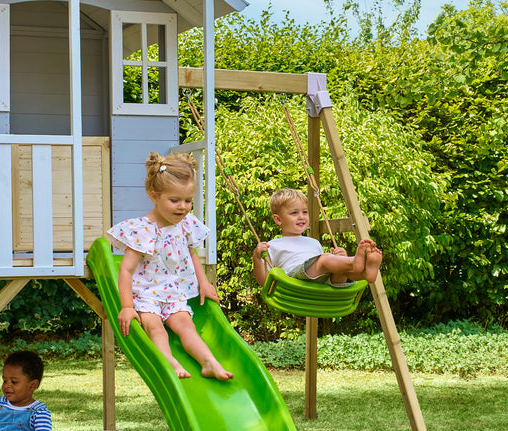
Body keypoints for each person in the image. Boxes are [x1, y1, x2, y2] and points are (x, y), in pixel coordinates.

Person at [107, 151, 233, 381]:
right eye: (174, 200)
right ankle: (169, 360)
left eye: (187, 200)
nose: (182, 207)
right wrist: (127, 306)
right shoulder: (142, 230)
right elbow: (125, 270)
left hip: (174, 291)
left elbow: (192, 254)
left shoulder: (185, 225)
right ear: (154, 196)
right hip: (146, 293)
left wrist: (204, 282)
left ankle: (208, 362)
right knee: (154, 326)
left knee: (186, 326)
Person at [253, 188, 382, 288]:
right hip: (294, 280)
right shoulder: (273, 245)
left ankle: (364, 273)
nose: (301, 217)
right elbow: (264, 281)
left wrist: (339, 257)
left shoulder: (313, 243)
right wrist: (257, 257)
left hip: (322, 283)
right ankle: (354, 262)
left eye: (304, 212)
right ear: (278, 219)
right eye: (294, 213)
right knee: (324, 259)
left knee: (338, 267)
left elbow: (323, 268)